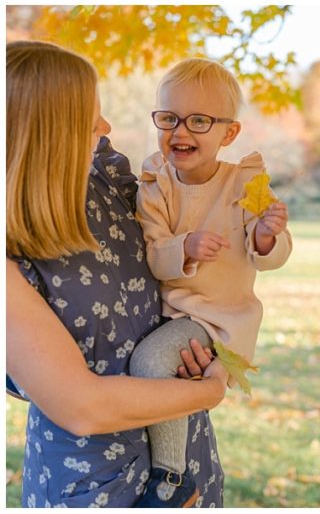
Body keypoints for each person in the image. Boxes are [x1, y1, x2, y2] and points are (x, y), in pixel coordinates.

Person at [6, 40, 229, 508]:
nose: (106, 129)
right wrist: (208, 392)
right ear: (47, 134)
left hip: (185, 456)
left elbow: (182, 219)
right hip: (94, 483)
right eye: (90, 122)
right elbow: (83, 407)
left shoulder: (105, 179)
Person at [131, 57, 293, 506]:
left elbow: (273, 256)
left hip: (218, 318)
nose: (180, 132)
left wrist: (264, 235)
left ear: (228, 133)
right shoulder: (155, 185)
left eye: (199, 121)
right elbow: (153, 251)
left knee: (149, 364)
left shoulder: (246, 183)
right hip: (176, 310)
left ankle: (171, 477)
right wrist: (182, 247)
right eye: (169, 118)